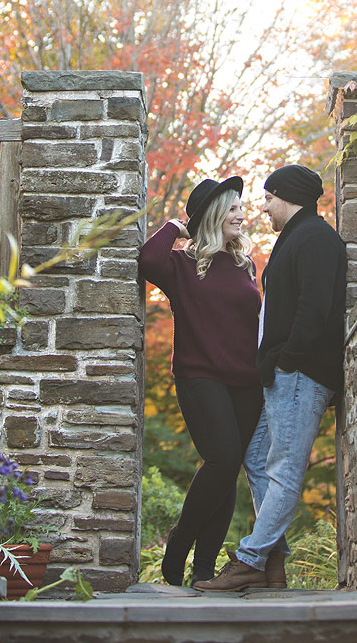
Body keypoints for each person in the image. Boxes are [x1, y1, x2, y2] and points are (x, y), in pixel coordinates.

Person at [194, 163, 347, 592]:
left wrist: (288, 359)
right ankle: (272, 561)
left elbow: (315, 308)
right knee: (257, 457)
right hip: (282, 376)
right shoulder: (296, 238)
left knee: (283, 467)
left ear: (288, 197)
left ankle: (249, 559)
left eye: (268, 198)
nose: (263, 208)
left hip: (299, 373)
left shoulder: (316, 238)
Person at [138, 175, 264, 587]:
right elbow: (148, 260)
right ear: (211, 215)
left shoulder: (247, 265)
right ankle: (179, 544)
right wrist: (178, 225)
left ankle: (205, 568)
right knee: (223, 459)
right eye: (231, 208)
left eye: (241, 208)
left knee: (228, 471)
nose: (241, 215)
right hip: (200, 375)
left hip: (247, 383)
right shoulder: (181, 264)